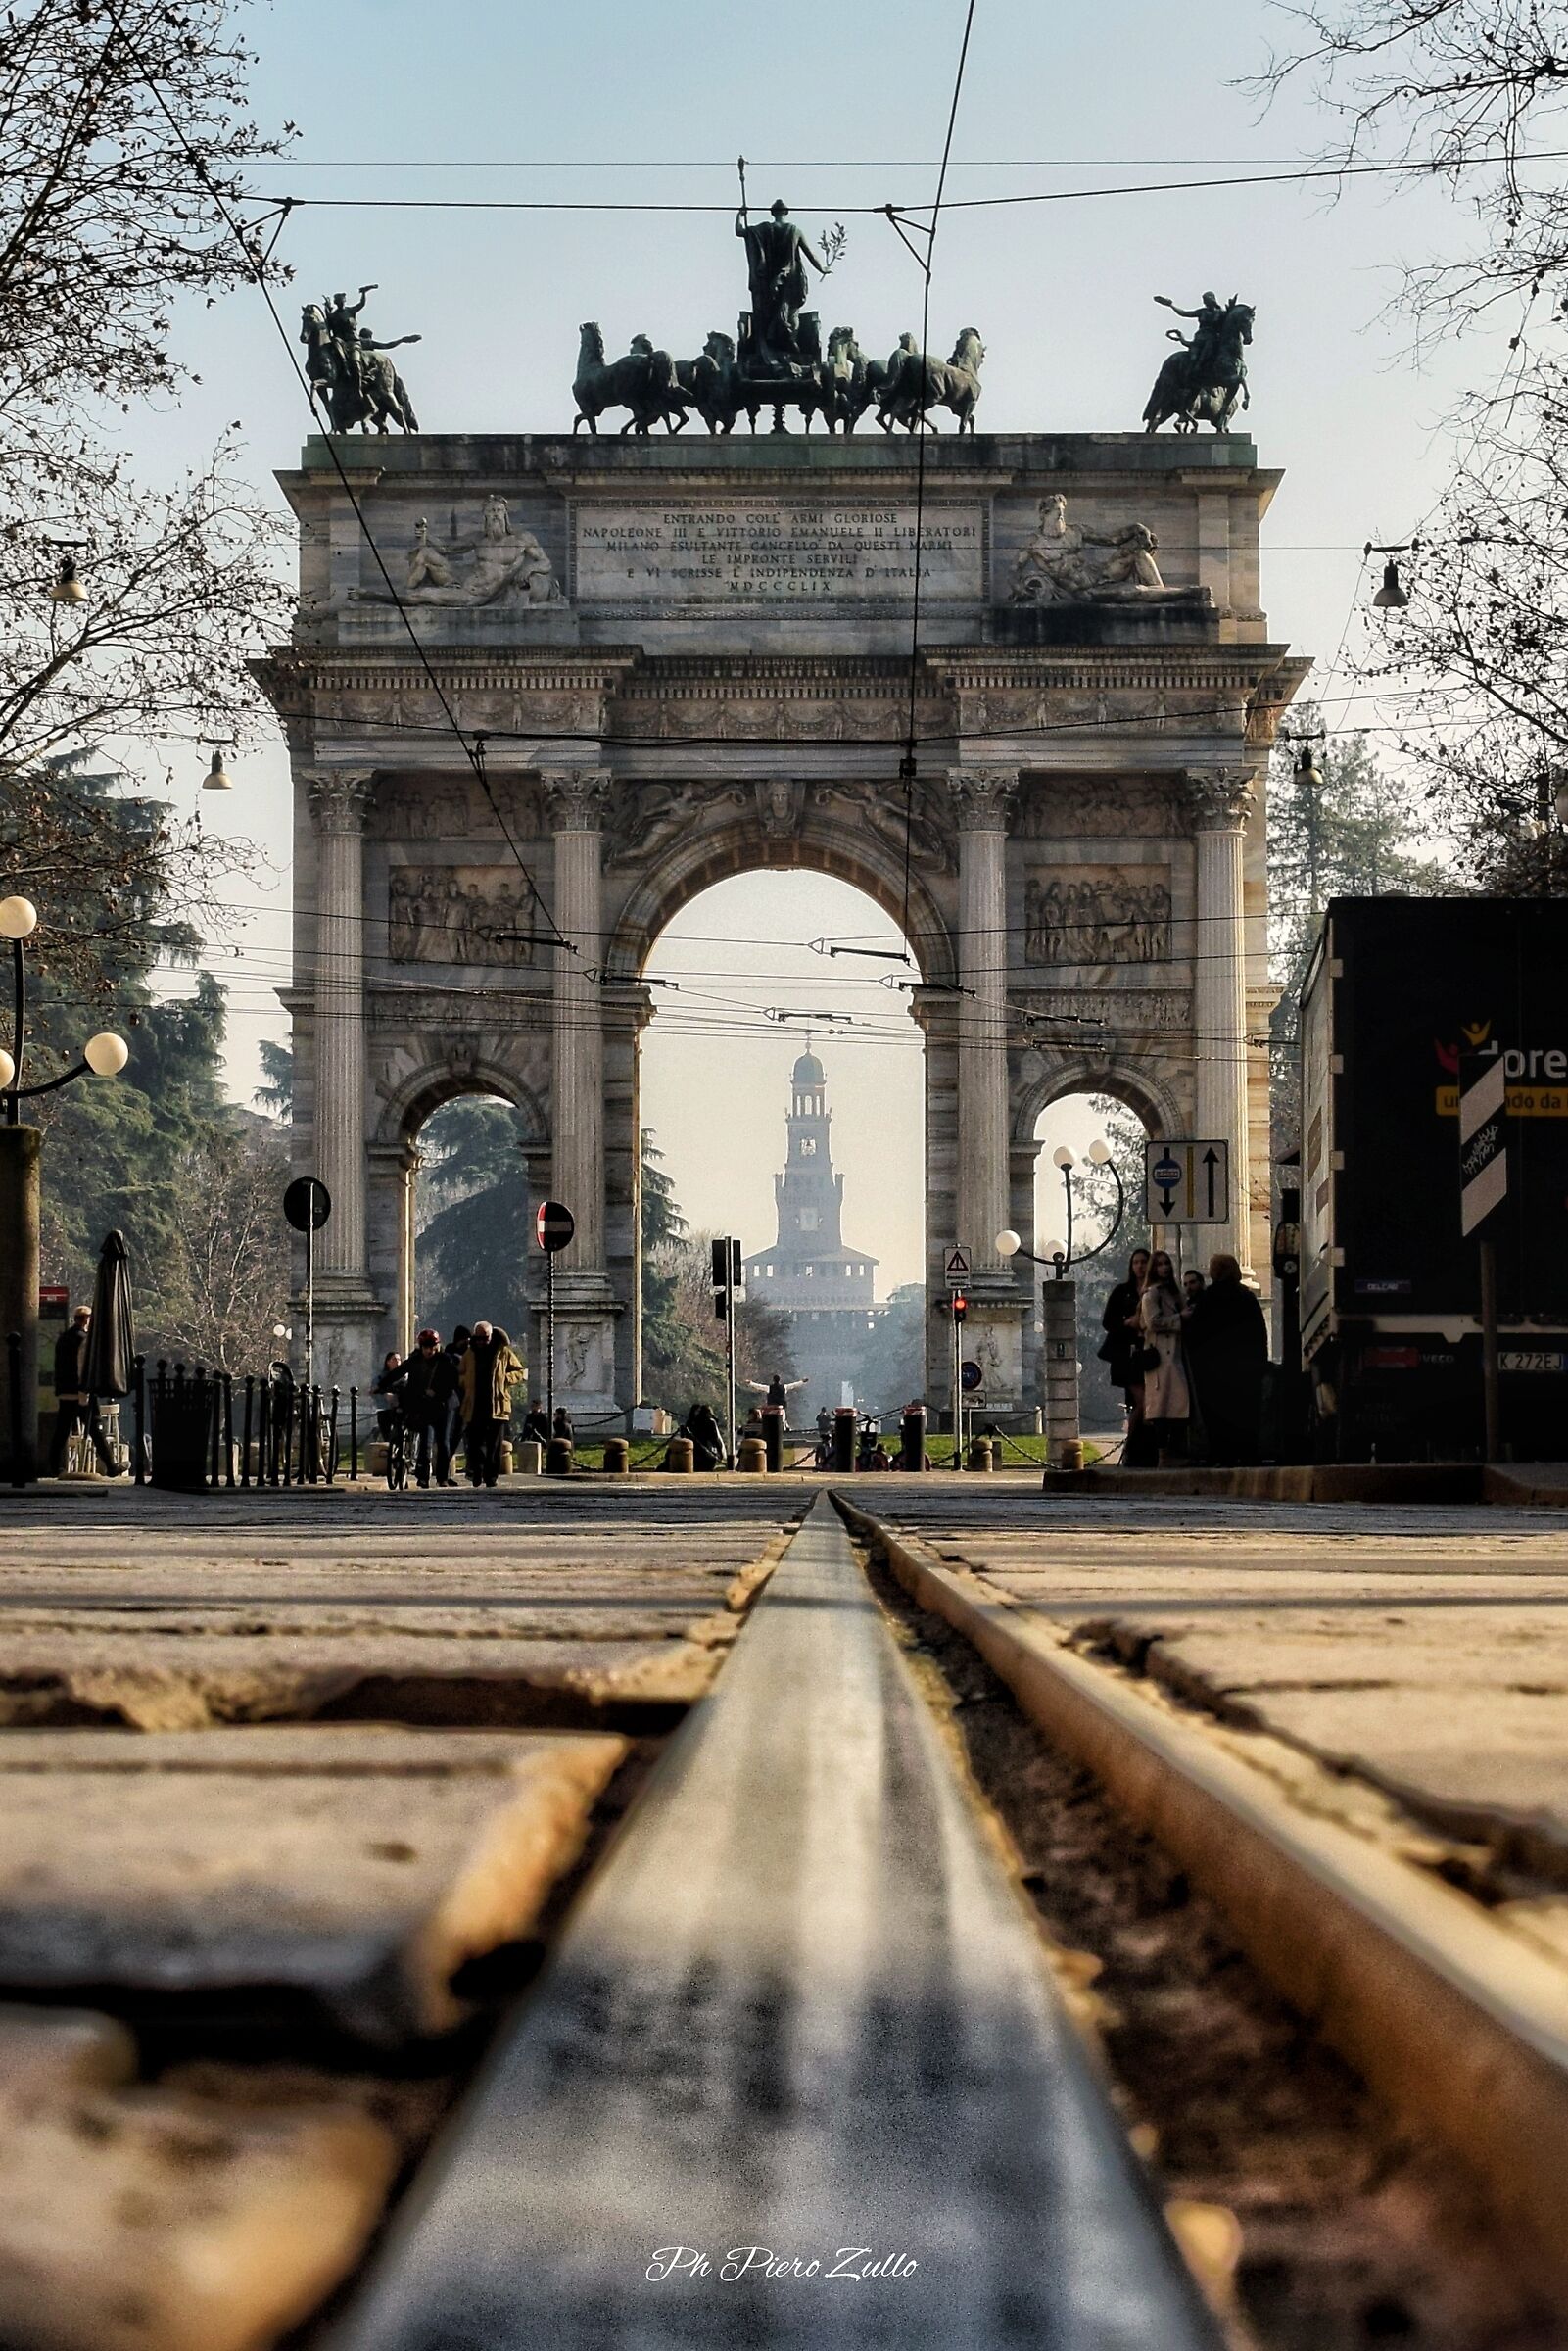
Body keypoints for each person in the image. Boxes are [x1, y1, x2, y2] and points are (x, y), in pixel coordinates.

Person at [1186, 1253, 1269, 1465]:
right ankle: (1248, 1453)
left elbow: (1195, 1336)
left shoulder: (1207, 1299)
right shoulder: (1247, 1298)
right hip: (1246, 1369)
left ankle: (1221, 1454)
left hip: (1214, 1371)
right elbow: (1259, 1334)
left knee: (1217, 1415)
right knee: (1246, 1413)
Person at [48, 1307, 118, 1475]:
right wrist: (85, 1388)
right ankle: (111, 1466)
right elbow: (82, 1366)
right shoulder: (83, 1340)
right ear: (87, 1319)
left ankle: (53, 1467)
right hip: (80, 1392)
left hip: (65, 1391)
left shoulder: (63, 1338)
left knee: (62, 1430)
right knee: (95, 1427)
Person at [1138, 1249, 1191, 1465]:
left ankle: (1176, 1451)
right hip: (1161, 1355)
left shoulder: (1174, 1293)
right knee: (1162, 1407)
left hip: (1176, 1354)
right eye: (1160, 1264)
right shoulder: (1152, 1294)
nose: (1165, 1268)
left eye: (1167, 1263)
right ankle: (1164, 1454)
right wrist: (1180, 1318)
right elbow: (1152, 1322)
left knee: (1179, 1406)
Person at [1100, 1249, 1151, 1462]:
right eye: (1135, 1262)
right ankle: (1131, 1448)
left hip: (1150, 1355)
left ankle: (1142, 1449)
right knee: (1143, 1400)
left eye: (1143, 1262)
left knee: (1144, 1402)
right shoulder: (1122, 1292)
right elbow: (1108, 1322)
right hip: (1126, 1356)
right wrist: (1127, 1324)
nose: (1139, 1266)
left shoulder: (1155, 1290)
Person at [461, 1321, 524, 1487]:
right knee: (474, 1442)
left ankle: (491, 1476)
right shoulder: (470, 1353)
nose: (481, 1341)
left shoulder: (503, 1352)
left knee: (494, 1444)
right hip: (475, 1404)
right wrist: (465, 1382)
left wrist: (505, 1379)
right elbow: (460, 1374)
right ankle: (477, 1471)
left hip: (497, 1404)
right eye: (478, 1338)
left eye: (485, 1338)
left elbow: (521, 1372)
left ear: (491, 1336)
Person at [398, 1328, 453, 1488]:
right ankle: (423, 1476)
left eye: (432, 1346)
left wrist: (437, 1392)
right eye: (426, 1347)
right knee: (426, 1440)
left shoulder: (445, 1360)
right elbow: (400, 1373)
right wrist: (381, 1386)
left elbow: (451, 1382)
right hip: (425, 1405)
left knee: (442, 1441)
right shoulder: (415, 1360)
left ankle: (442, 1477)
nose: (429, 1350)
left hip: (443, 1404)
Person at [371, 1350, 405, 1440]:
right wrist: (385, 1395)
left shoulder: (404, 1378)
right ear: (388, 1362)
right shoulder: (379, 1378)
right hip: (385, 1409)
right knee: (387, 1435)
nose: (397, 1362)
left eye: (399, 1360)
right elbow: (374, 1392)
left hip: (399, 1410)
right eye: (394, 1359)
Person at [687, 1400, 724, 1471]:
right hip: (707, 1453)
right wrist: (720, 1452)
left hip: (693, 1453)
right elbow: (715, 1439)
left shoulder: (691, 1423)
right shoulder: (710, 1423)